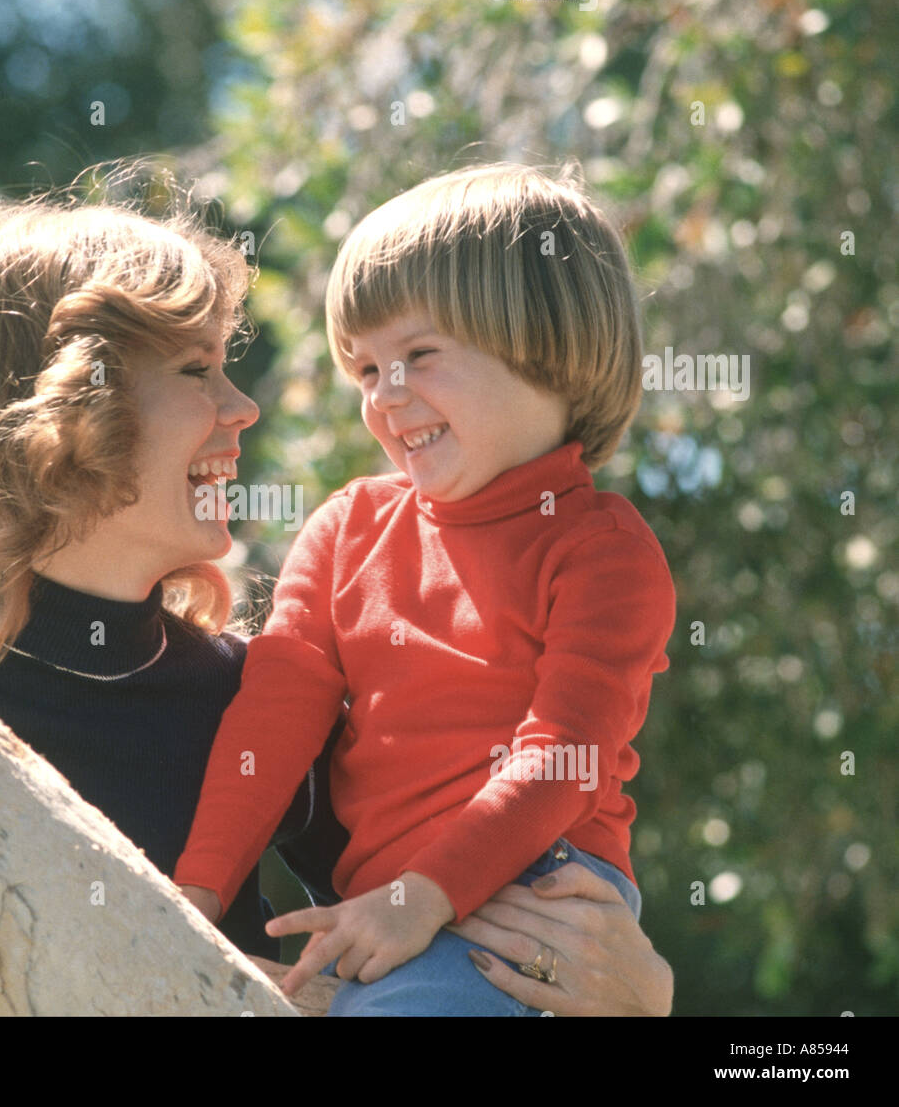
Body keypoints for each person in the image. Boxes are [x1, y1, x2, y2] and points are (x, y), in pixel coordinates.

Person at [0, 165, 674, 1014]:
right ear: (64, 406)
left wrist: (644, 995)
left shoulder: (239, 700)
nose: (244, 409)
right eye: (199, 369)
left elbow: (450, 905)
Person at [174, 162, 676, 1016]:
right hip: (388, 918)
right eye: (366, 371)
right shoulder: (346, 529)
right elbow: (273, 721)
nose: (387, 398)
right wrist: (195, 900)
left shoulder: (600, 549)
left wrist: (424, 896)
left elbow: (564, 755)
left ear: (546, 347)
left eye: (419, 356)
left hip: (532, 904)